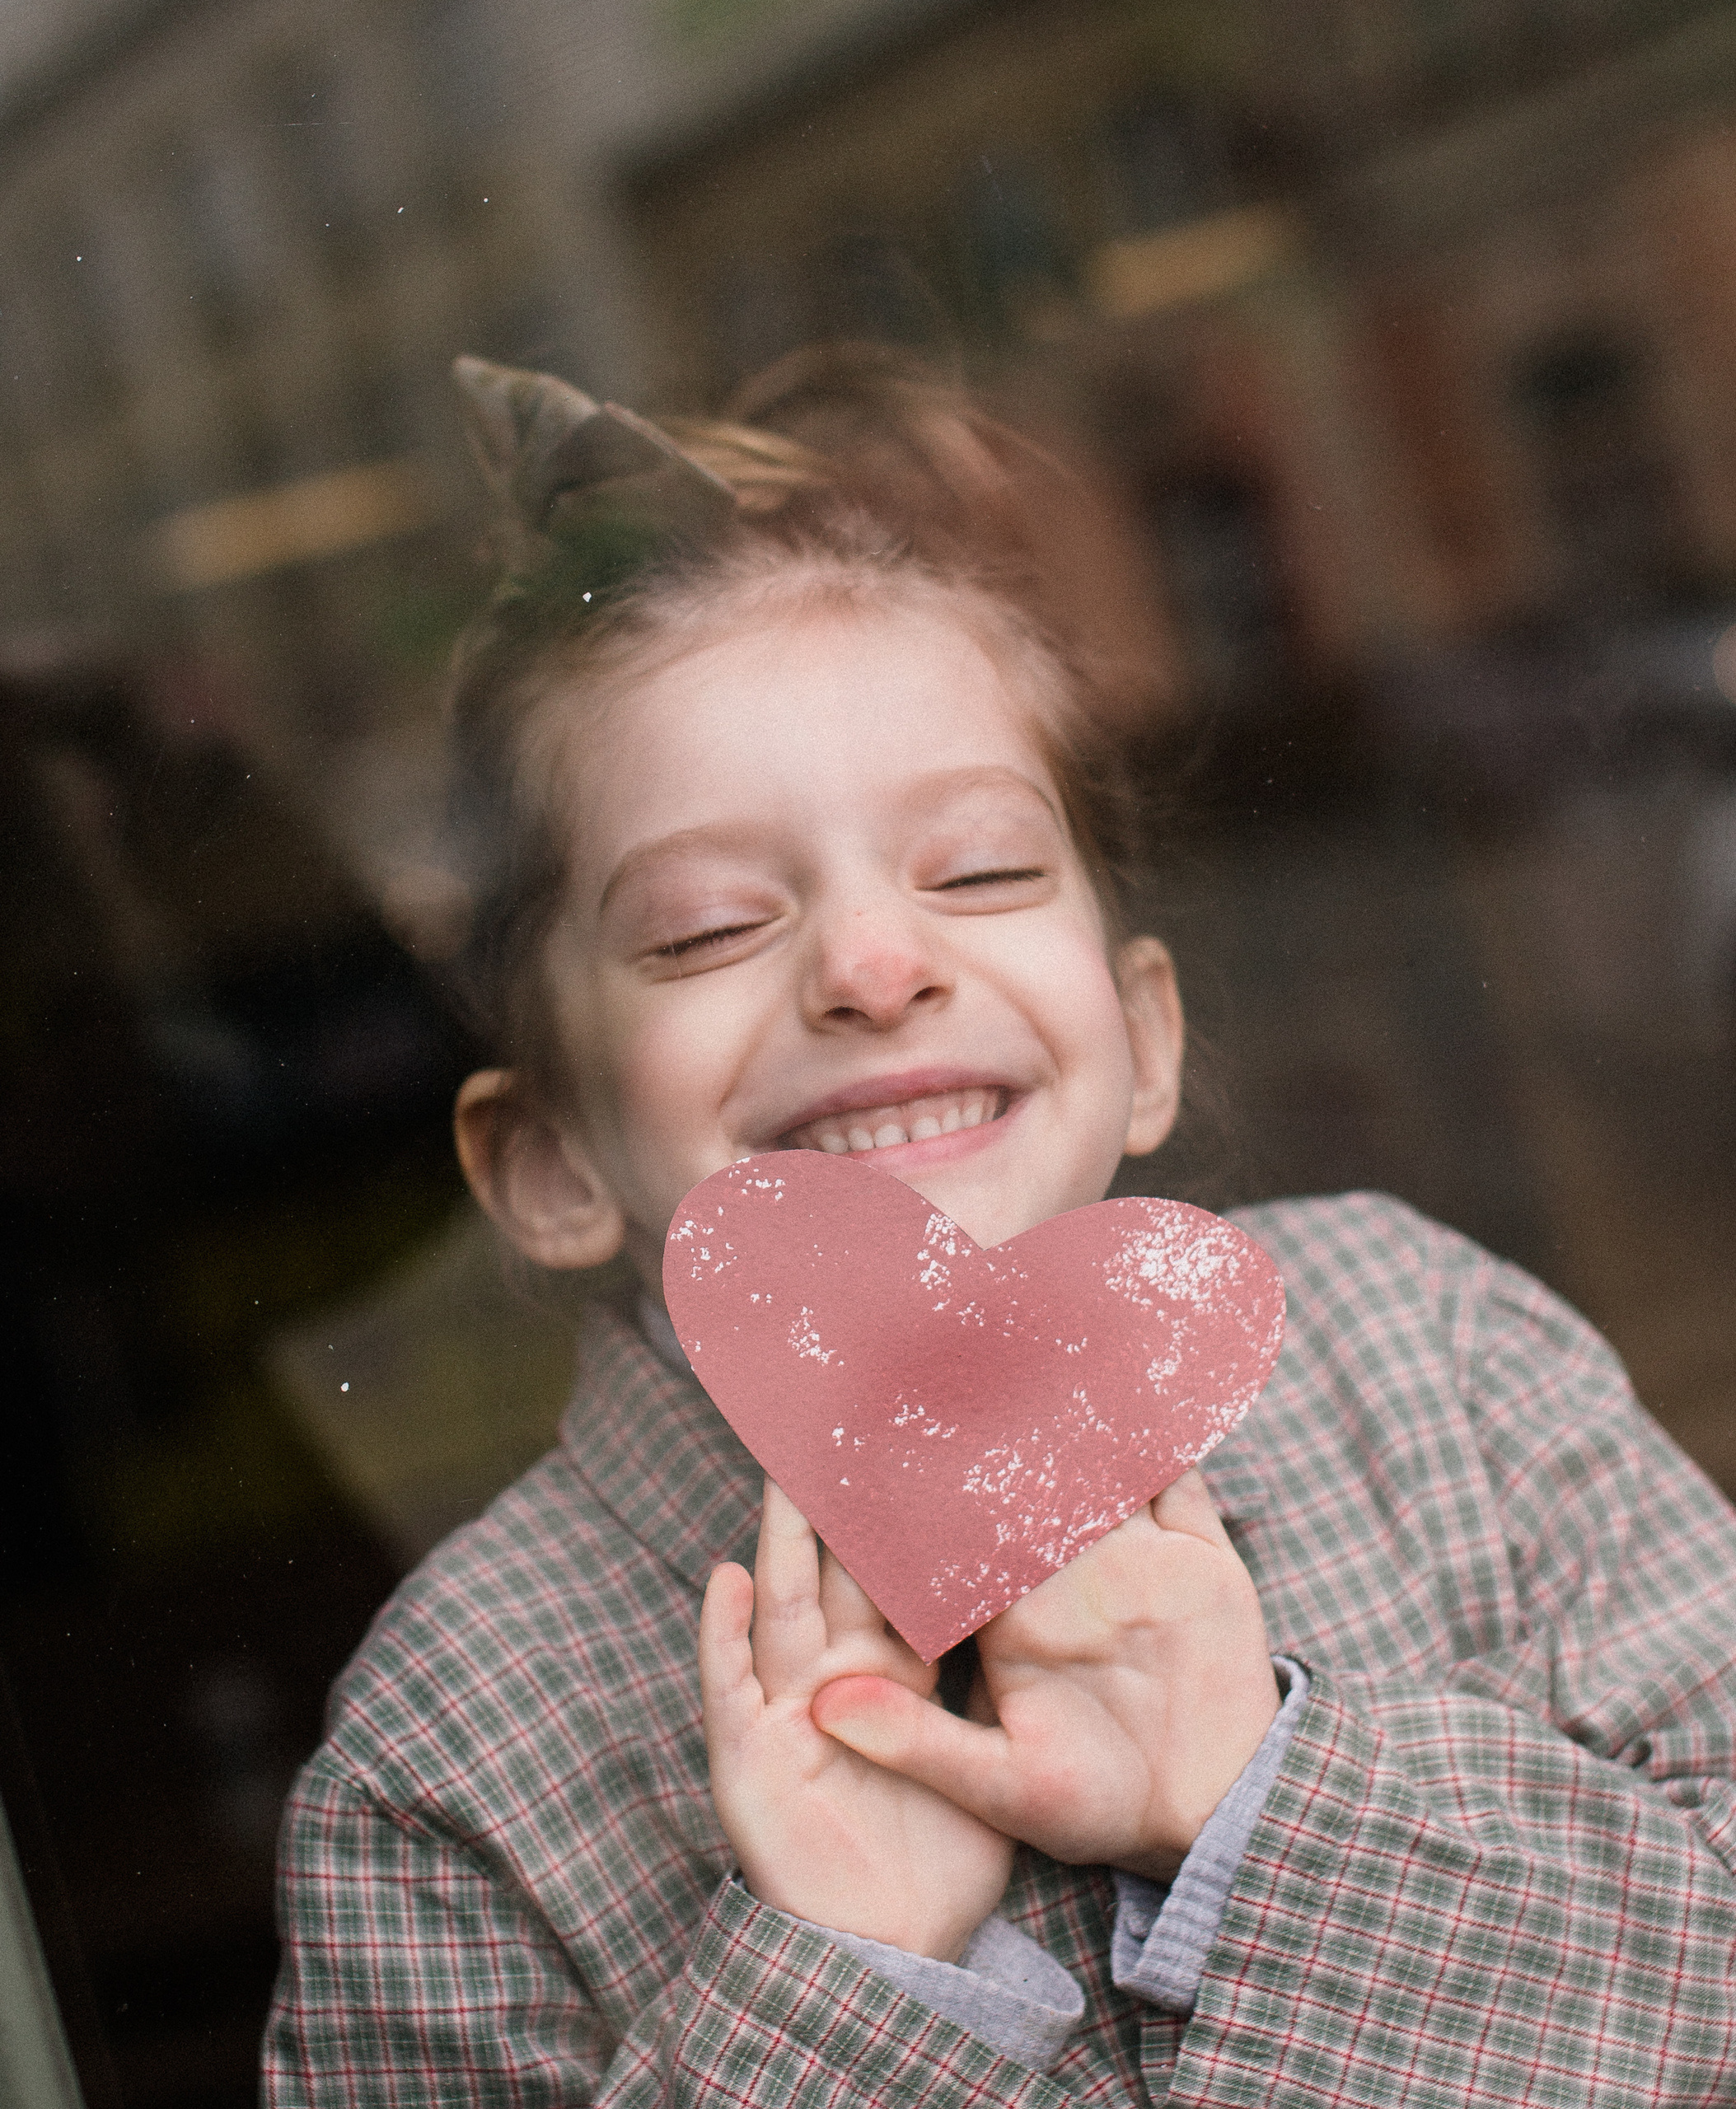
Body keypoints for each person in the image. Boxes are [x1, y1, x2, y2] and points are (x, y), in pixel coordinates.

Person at [265, 346, 1736, 2108]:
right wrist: (844, 2000)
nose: (877, 966)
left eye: (974, 871)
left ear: (1147, 1037)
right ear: (552, 1157)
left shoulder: (1435, 1365)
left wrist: (1268, 1799)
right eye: (708, 926)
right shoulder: (448, 1763)